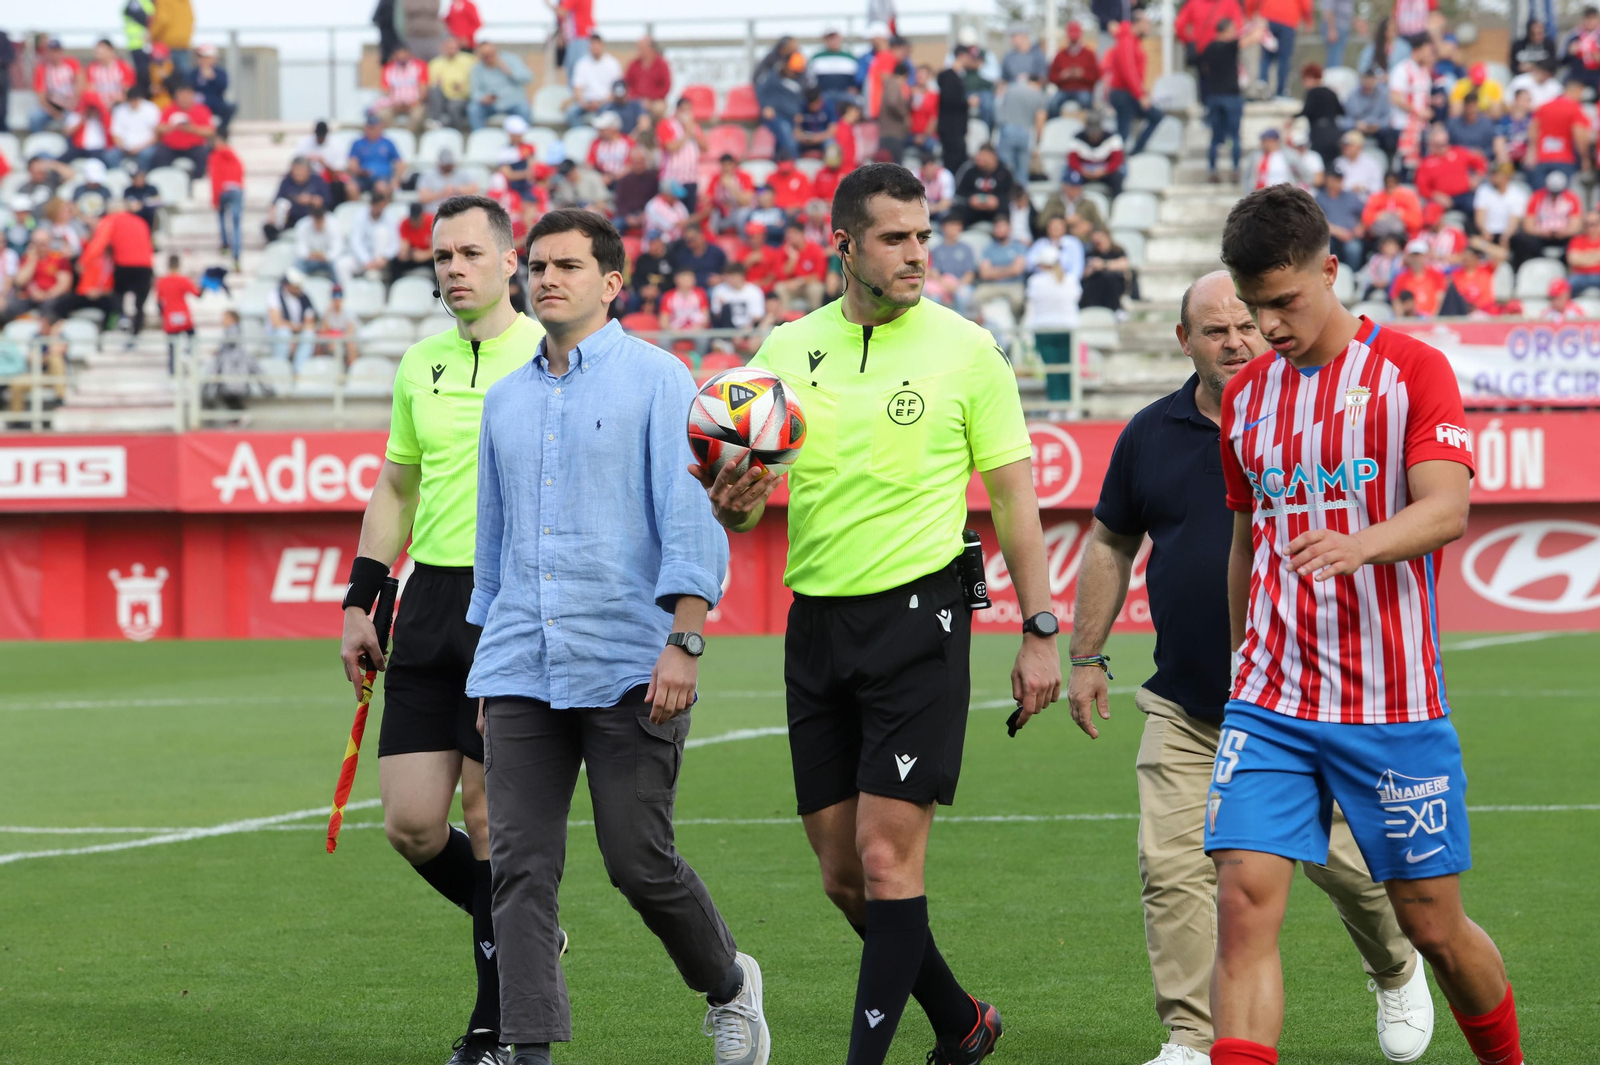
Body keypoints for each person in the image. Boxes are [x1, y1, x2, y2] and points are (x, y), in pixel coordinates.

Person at [698, 161, 1060, 1065]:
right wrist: (730, 497)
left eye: (923, 235)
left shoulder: (969, 349)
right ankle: (963, 1020)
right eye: (895, 237)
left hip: (920, 621)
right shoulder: (784, 351)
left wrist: (1041, 627)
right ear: (844, 243)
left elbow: (1014, 499)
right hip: (815, 623)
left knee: (892, 862)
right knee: (844, 877)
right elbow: (745, 507)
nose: (916, 254)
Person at [1066, 270, 1430, 1065]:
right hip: (1188, 704)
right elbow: (1110, 541)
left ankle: (1396, 964)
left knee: (1356, 871)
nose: (1236, 341)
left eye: (1246, 324)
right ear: (1184, 341)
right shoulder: (1149, 433)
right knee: (1171, 870)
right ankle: (1194, 1039)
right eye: (1216, 330)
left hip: (1311, 702)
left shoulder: (1304, 412)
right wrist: (1086, 653)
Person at [1207, 182, 1524, 1065]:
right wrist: (1243, 664)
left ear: (1330, 271)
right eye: (1254, 305)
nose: (1268, 325)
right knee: (1242, 899)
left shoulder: (1413, 370)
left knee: (1432, 924)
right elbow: (1247, 540)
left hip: (1390, 702)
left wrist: (1361, 544)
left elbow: (1448, 509)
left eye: (1285, 302)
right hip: (1271, 697)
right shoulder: (1246, 398)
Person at [469, 207, 770, 1065]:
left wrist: (686, 638)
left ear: (611, 283)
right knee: (519, 867)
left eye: (567, 265)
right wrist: (489, 663)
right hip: (522, 661)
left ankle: (727, 983)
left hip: (631, 660)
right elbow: (493, 544)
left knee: (637, 859)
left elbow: (691, 517)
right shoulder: (503, 400)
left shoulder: (661, 379)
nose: (546, 277)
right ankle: (529, 1049)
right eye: (536, 265)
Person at [338, 195, 547, 1065]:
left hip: (516, 602)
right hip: (428, 606)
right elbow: (396, 486)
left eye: (469, 252)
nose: (452, 267)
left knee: (489, 815)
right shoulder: (420, 364)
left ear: (511, 264)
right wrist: (361, 597)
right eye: (440, 256)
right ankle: (526, 932)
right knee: (415, 824)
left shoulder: (553, 352)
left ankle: (494, 1031)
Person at [1199, 19, 1261, 183]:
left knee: (1214, 138)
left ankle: (1212, 169)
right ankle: (1235, 170)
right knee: (1235, 136)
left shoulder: (1209, 48)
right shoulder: (1229, 46)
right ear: (1225, 31)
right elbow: (1252, 39)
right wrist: (1260, 25)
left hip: (1214, 96)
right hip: (1231, 96)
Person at [1024, 243, 1079, 401]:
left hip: (1044, 329)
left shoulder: (1035, 281)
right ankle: (1069, 404)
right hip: (1068, 329)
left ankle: (1057, 403)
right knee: (1067, 369)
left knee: (1052, 370)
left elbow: (1031, 307)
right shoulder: (1070, 279)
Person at [1107, 12, 1165, 155]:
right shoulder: (1126, 39)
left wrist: (1142, 91)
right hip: (1123, 93)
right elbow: (1128, 71)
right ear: (1138, 23)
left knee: (1153, 117)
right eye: (1147, 23)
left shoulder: (1132, 40)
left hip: (1129, 93)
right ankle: (1120, 161)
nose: (1149, 27)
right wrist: (1140, 95)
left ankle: (1133, 154)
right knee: (1123, 133)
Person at [1526, 75, 1591, 189]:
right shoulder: (1575, 109)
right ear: (1575, 90)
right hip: (1564, 159)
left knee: (1541, 197)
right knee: (1560, 199)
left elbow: (1533, 129)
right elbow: (1579, 136)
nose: (1581, 97)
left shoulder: (1544, 106)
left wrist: (1531, 151)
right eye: (1581, 93)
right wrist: (1585, 158)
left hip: (1542, 158)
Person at [1510, 168, 1582, 267]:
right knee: (1520, 240)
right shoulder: (1537, 197)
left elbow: (1576, 225)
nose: (1555, 195)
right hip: (1541, 236)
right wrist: (1541, 232)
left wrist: (1564, 232)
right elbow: (1528, 225)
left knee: (1576, 241)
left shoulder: (1572, 198)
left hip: (1563, 236)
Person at [1389, 35, 1436, 176]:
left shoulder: (1423, 71)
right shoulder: (1402, 70)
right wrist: (1418, 112)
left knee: (1419, 169)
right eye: (1428, 51)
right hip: (1403, 127)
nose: (1430, 55)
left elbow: (1421, 97)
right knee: (1404, 169)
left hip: (1421, 127)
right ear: (1418, 50)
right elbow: (1395, 98)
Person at [656, 97, 708, 214]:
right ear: (677, 110)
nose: (686, 114)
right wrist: (687, 134)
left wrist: (692, 132)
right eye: (684, 110)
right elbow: (671, 147)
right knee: (670, 213)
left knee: (689, 214)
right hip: (672, 178)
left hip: (690, 178)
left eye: (689, 110)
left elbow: (705, 147)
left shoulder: (694, 126)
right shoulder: (666, 125)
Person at [994, 70, 1046, 184]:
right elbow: (1040, 120)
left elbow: (998, 105)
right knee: (1022, 173)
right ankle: (1021, 200)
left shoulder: (1011, 89)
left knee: (1004, 170)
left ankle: (1005, 196)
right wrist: (1037, 143)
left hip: (1007, 130)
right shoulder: (1038, 95)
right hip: (1026, 133)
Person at [265, 158, 332, 243]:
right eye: (294, 169)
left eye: (300, 169)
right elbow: (276, 201)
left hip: (311, 218)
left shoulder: (317, 180)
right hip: (291, 218)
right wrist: (273, 214)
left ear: (308, 170)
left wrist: (311, 200)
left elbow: (327, 201)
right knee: (269, 227)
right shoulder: (286, 181)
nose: (297, 172)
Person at [469, 41, 533, 129]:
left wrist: (508, 71)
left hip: (513, 101)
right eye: (484, 55)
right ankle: (480, 138)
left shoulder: (511, 59)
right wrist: (482, 98)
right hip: (490, 105)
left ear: (496, 50)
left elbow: (527, 78)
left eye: (490, 54)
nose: (488, 57)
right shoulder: (477, 69)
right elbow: (475, 92)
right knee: (473, 109)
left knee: (524, 110)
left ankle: (523, 139)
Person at [972, 216, 1029, 314]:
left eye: (1003, 226)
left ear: (1009, 228)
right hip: (992, 285)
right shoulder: (988, 248)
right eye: (997, 227)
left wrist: (994, 271)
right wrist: (1009, 269)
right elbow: (985, 274)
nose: (1000, 230)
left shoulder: (1018, 246)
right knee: (974, 298)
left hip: (1014, 284)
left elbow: (1017, 270)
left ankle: (1017, 327)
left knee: (1019, 301)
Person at [154, 253, 198, 372]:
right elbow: (197, 293)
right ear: (179, 265)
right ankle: (190, 359)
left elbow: (158, 301)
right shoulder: (183, 280)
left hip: (170, 316)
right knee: (192, 339)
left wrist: (162, 314)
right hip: (184, 315)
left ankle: (173, 371)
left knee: (172, 347)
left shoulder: (162, 281)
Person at [207, 134, 245, 270]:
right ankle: (236, 254)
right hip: (237, 189)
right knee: (236, 223)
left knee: (223, 216)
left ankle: (225, 245)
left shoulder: (215, 156)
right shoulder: (233, 154)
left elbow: (215, 178)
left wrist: (215, 199)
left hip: (224, 190)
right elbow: (241, 170)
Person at [268, 268, 319, 368]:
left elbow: (309, 320)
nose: (299, 287)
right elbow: (277, 323)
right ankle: (281, 367)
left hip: (297, 333)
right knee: (283, 333)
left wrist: (298, 331)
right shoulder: (275, 295)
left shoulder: (304, 298)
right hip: (277, 334)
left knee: (309, 335)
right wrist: (295, 328)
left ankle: (298, 370)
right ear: (288, 285)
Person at [568, 34, 622, 126]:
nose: (595, 48)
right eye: (592, 45)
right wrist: (584, 103)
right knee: (571, 113)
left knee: (607, 113)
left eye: (597, 45)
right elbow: (577, 88)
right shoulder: (582, 64)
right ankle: (581, 135)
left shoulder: (612, 63)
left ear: (602, 45)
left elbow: (616, 89)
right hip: (587, 102)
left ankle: (599, 138)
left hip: (605, 103)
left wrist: (601, 103)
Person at [29, 38, 81, 133]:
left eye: (57, 51)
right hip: (51, 107)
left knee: (74, 121)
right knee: (35, 117)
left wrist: (73, 103)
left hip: (70, 105)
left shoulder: (71, 63)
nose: (55, 55)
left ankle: (70, 146)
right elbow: (41, 97)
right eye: (52, 52)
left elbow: (81, 84)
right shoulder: (41, 69)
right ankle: (38, 141)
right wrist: (55, 113)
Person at [1317, 170, 1367, 267]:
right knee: (1323, 249)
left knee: (1354, 249)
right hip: (1328, 236)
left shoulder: (1351, 196)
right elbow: (1316, 221)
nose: (1337, 182)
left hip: (1350, 235)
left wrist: (1361, 226)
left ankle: (1353, 278)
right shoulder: (1319, 198)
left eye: (1340, 179)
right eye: (1334, 179)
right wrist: (1337, 231)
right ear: (1327, 180)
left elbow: (1365, 214)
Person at [1047, 22, 1100, 115]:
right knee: (1052, 105)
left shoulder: (1089, 54)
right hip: (1064, 89)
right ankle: (1055, 127)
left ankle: (1085, 127)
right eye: (1072, 38)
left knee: (1086, 101)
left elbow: (1096, 76)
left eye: (1075, 38)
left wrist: (1082, 74)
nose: (1074, 41)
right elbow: (1051, 77)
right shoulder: (1060, 55)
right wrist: (1062, 76)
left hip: (1083, 89)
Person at [953, 145, 1012, 226]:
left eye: (984, 159)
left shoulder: (1005, 173)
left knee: (1005, 214)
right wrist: (970, 200)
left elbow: (1011, 196)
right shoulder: (969, 171)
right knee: (955, 213)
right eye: (979, 158)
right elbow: (958, 195)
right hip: (971, 211)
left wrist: (998, 201)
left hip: (995, 213)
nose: (980, 161)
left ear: (993, 157)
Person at [377, 45, 430, 133]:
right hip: (395, 104)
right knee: (382, 113)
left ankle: (408, 135)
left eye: (404, 55)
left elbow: (423, 90)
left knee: (417, 115)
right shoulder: (388, 69)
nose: (402, 58)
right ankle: (395, 134)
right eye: (399, 55)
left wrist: (413, 103)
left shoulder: (419, 66)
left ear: (409, 54)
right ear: (394, 56)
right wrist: (395, 103)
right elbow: (386, 91)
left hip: (414, 104)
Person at [429, 34, 477, 130]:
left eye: (453, 47)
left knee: (454, 105)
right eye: (448, 47)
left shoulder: (469, 60)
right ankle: (436, 121)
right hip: (444, 98)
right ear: (443, 48)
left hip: (463, 97)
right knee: (434, 90)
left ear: (458, 47)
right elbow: (433, 84)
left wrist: (462, 88)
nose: (451, 50)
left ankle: (455, 132)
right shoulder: (435, 63)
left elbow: (476, 80)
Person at [936, 50, 973, 174]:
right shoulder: (948, 76)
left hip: (956, 128)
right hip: (951, 128)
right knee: (953, 159)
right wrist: (967, 102)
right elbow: (949, 99)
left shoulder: (957, 76)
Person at [191, 44, 234, 137]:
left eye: (207, 57)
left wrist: (213, 77)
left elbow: (223, 87)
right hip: (197, 105)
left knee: (230, 107)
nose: (205, 60)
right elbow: (187, 88)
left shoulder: (220, 72)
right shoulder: (193, 73)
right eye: (202, 57)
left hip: (215, 103)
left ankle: (221, 134)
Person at [624, 35, 672, 119]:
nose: (639, 51)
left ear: (650, 49)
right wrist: (637, 99)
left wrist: (650, 99)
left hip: (655, 101)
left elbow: (666, 87)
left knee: (659, 108)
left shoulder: (662, 64)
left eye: (641, 48)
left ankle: (657, 130)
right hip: (635, 100)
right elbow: (626, 84)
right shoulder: (634, 64)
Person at [710, 260, 767, 330]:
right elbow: (716, 315)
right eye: (727, 276)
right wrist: (724, 308)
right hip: (726, 331)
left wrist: (746, 329)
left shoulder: (754, 291)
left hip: (749, 331)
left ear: (741, 276)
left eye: (732, 276)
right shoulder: (719, 290)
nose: (728, 279)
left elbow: (757, 316)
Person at [1566, 210, 1600, 294]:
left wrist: (1584, 257)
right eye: (1586, 224)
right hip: (1580, 276)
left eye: (1593, 224)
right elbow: (1573, 260)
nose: (1590, 227)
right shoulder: (1576, 240)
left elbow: (1578, 259)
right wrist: (1596, 256)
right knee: (1566, 288)